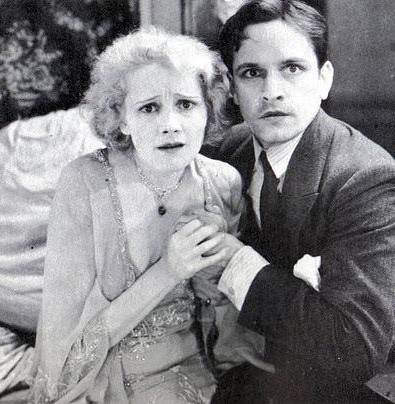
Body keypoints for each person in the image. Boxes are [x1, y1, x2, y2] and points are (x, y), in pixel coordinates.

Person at [204, 0, 395, 403]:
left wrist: (236, 263)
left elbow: (354, 348)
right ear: (234, 91)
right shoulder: (229, 151)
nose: (272, 91)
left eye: (292, 68)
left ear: (324, 79)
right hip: (266, 363)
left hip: (367, 376)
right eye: (252, 73)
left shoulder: (365, 176)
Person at [29, 28, 245, 403]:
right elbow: (63, 363)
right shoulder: (84, 184)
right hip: (103, 382)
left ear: (207, 110)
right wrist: (169, 271)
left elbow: (230, 334)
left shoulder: (222, 183)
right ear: (122, 119)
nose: (171, 124)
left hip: (199, 379)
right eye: (149, 108)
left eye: (186, 104)